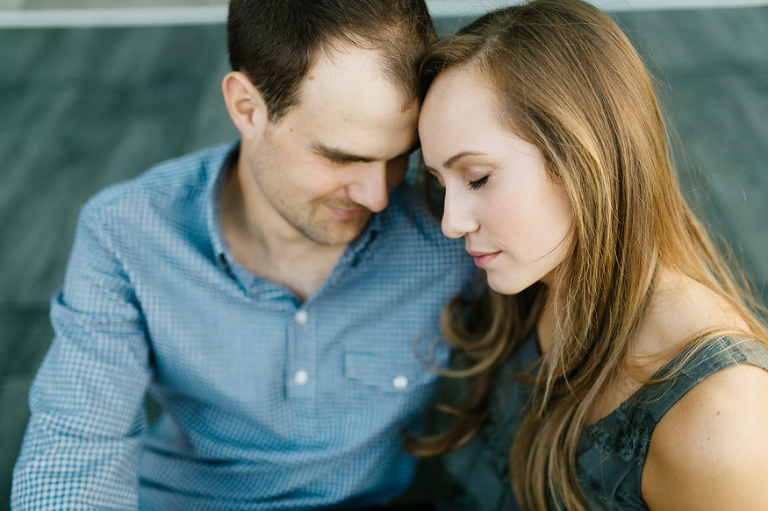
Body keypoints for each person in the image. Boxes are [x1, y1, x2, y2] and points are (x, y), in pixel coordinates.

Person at [12, 1, 476, 509]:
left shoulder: (451, 228)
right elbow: (78, 449)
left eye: (399, 157)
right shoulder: (127, 233)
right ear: (247, 108)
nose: (378, 196)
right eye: (341, 157)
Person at [407, 0, 768, 510]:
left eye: (478, 178)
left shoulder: (720, 422)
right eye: (441, 182)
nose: (451, 222)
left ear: (582, 157)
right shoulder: (533, 282)